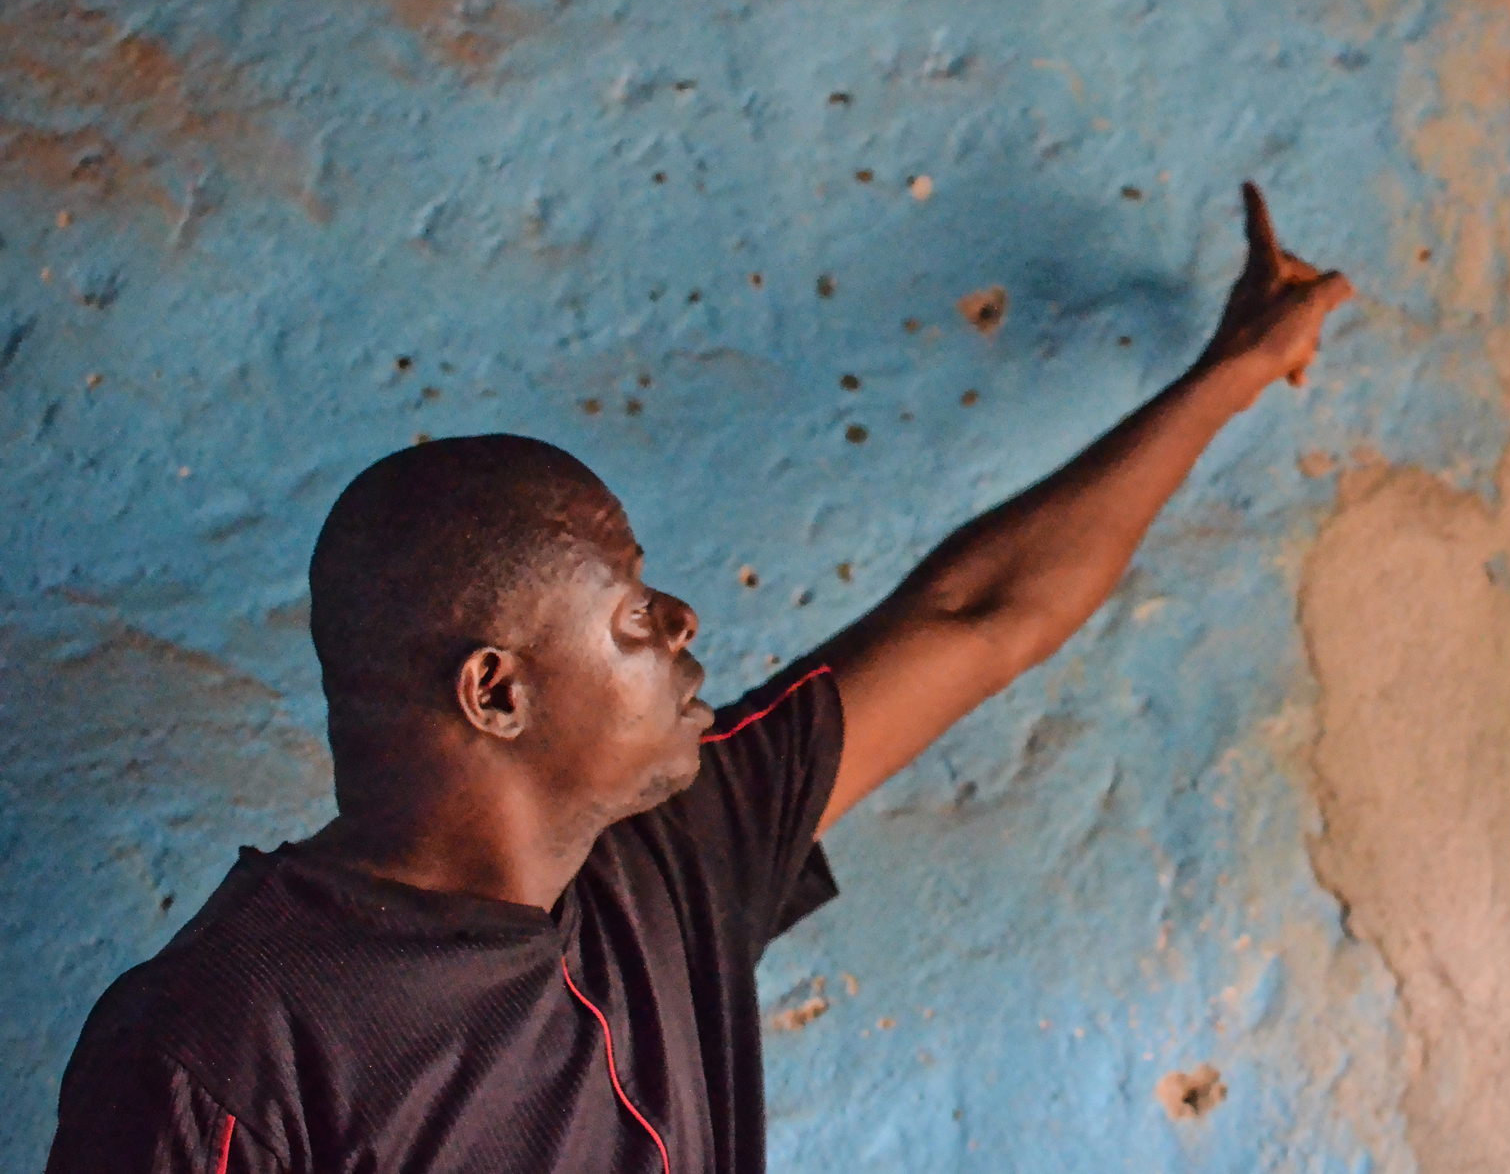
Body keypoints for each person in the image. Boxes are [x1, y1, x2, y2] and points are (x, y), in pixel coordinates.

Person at [44, 182, 1348, 1174]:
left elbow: (981, 612)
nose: (679, 623)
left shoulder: (668, 853)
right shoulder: (223, 1047)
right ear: (496, 692)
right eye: (630, 610)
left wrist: (1229, 376)